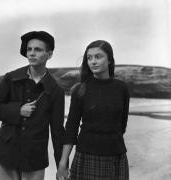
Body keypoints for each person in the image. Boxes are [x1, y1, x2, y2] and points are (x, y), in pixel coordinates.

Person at [0, 31, 65, 180]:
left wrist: (62, 165)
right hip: (6, 152)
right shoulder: (11, 78)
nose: (32, 53)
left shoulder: (55, 91)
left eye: (38, 49)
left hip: (34, 156)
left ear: (49, 54)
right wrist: (18, 110)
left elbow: (57, 132)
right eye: (29, 49)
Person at [56, 40, 130, 180]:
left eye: (98, 56)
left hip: (117, 156)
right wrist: (62, 162)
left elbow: (122, 126)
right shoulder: (80, 90)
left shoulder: (122, 88)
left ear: (109, 60)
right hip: (87, 156)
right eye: (89, 58)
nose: (93, 62)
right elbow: (71, 128)